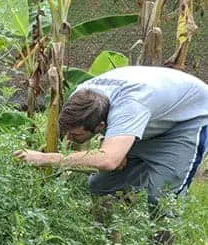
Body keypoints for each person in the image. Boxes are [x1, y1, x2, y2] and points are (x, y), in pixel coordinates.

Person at [13, 66, 208, 207]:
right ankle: (138, 193)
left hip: (189, 120)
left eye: (75, 135)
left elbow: (108, 161)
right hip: (153, 116)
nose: (69, 139)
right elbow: (109, 148)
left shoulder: (130, 106)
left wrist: (45, 159)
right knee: (99, 185)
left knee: (160, 199)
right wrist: (112, 149)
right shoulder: (83, 94)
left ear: (100, 126)